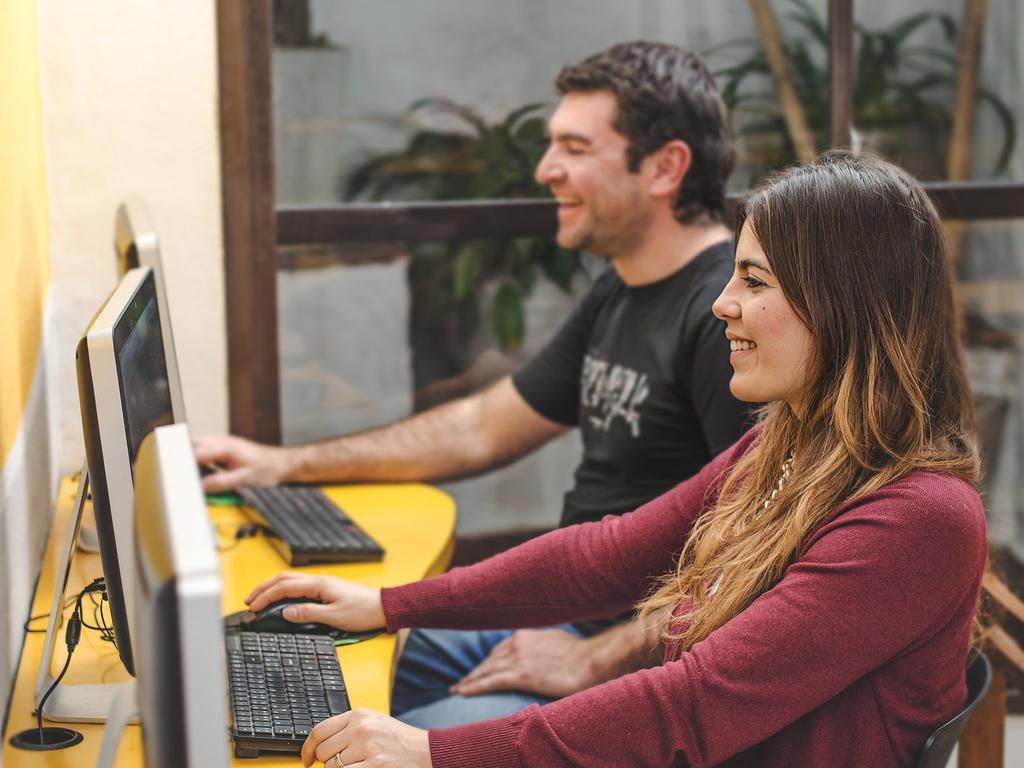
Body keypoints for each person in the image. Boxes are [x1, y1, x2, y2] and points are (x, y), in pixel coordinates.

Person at [244, 152, 988, 767]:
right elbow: (605, 558)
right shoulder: (786, 445)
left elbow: (692, 704)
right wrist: (384, 603)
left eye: (754, 282)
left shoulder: (919, 517)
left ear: (846, 307)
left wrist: (433, 752)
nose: (722, 304)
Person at [197, 41, 749, 726]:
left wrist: (596, 658)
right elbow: (482, 425)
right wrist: (284, 465)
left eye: (575, 148)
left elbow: (762, 561)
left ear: (665, 167)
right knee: (271, 658)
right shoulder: (622, 289)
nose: (547, 170)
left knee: (371, 747)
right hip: (562, 624)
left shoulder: (727, 320)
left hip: (629, 667)